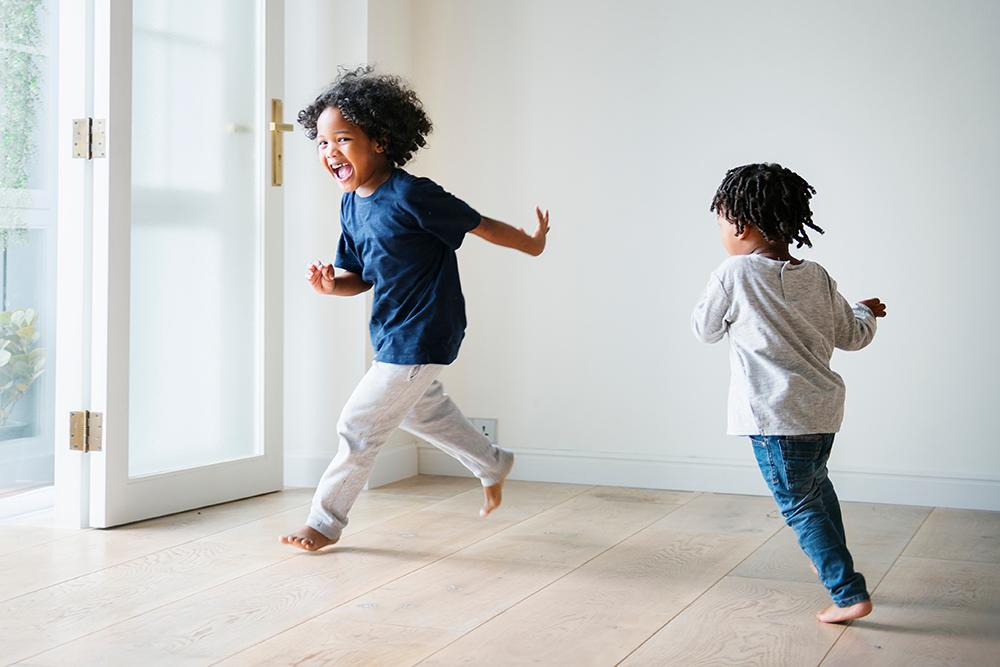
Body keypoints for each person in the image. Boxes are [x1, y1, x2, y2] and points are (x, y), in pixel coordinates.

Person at [280, 66, 550, 552]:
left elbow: (479, 224)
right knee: (422, 412)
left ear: (380, 140)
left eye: (342, 139)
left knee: (357, 425)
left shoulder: (412, 194)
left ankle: (323, 522)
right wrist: (329, 286)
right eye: (321, 143)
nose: (330, 152)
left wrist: (530, 245)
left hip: (424, 329)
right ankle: (492, 462)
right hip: (391, 332)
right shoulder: (350, 205)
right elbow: (360, 277)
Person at [692, 163, 886, 623]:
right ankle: (848, 580)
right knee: (818, 492)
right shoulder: (816, 275)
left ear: (743, 223)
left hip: (773, 417)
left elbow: (705, 330)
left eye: (721, 220)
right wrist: (865, 311)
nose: (720, 231)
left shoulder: (733, 274)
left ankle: (847, 593)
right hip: (822, 413)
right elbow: (853, 336)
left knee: (799, 506)